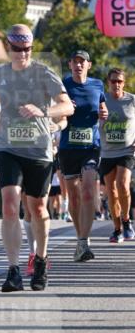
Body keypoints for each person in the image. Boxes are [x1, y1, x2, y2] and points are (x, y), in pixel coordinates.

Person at [0, 24, 74, 292]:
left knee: (37, 209)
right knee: (10, 203)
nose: (22, 54)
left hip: (38, 149)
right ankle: (12, 270)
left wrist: (42, 110)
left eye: (27, 49)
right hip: (7, 147)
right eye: (17, 49)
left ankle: (42, 261)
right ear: (9, 48)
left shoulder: (43, 73)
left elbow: (67, 105)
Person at [58, 50, 107, 262]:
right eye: (75, 62)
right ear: (70, 64)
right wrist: (63, 109)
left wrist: (104, 113)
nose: (78, 65)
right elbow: (55, 109)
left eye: (82, 62)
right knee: (74, 196)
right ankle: (80, 239)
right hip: (68, 147)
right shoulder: (63, 85)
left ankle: (85, 241)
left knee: (88, 190)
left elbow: (102, 107)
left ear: (89, 64)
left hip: (91, 146)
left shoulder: (97, 85)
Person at [99, 67, 135, 243]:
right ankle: (117, 228)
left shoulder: (132, 101)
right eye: (113, 81)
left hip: (127, 150)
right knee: (111, 192)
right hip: (106, 152)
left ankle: (127, 220)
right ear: (108, 82)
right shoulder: (101, 100)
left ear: (124, 83)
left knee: (122, 184)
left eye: (120, 81)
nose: (116, 84)